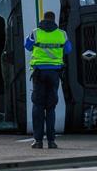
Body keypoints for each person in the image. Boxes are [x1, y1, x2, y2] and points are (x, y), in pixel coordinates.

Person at [24, 11, 72, 149]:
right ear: (54, 20)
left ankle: (38, 141)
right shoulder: (62, 34)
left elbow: (27, 46)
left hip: (39, 73)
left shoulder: (36, 33)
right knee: (51, 107)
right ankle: (51, 141)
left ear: (43, 19)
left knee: (38, 106)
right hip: (54, 74)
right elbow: (68, 50)